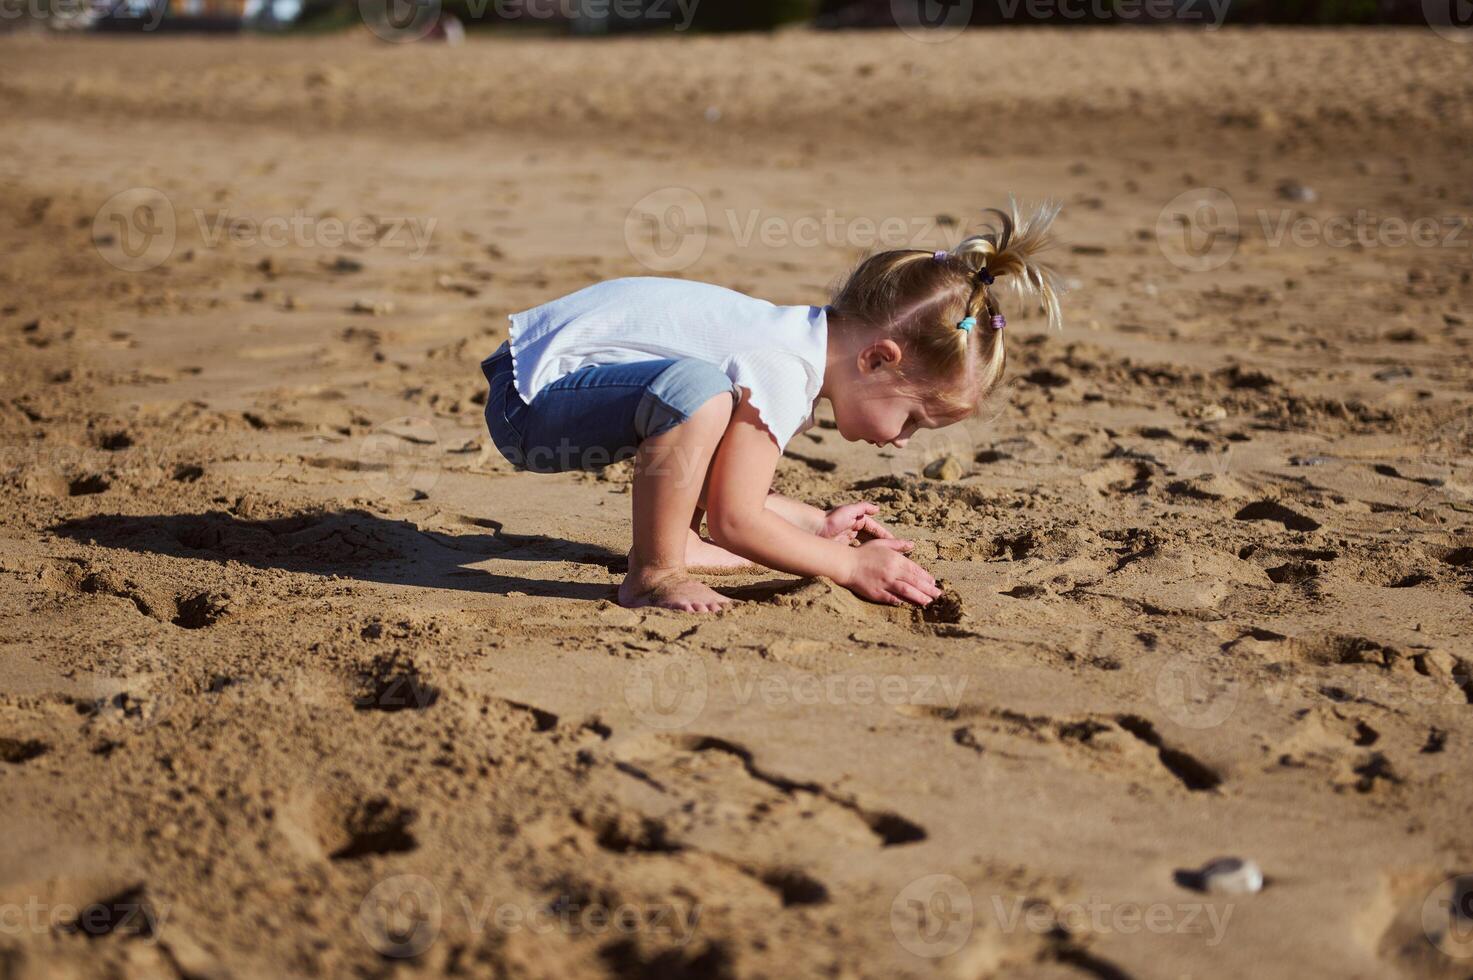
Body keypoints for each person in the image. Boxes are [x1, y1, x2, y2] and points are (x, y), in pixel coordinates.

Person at [479, 201, 1064, 612]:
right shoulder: (785, 366)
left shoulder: (795, 347)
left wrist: (816, 525)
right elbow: (734, 521)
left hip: (551, 381)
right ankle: (654, 572)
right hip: (530, 403)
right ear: (878, 359)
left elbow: (721, 483)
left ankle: (672, 544)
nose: (904, 440)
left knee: (699, 399)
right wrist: (850, 567)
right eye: (913, 417)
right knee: (698, 394)